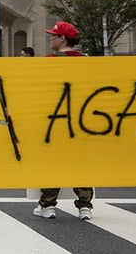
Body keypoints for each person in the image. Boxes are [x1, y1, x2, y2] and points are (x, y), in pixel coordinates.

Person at [34, 21, 93, 220]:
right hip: (82, 120)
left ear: (62, 39)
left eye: (53, 36)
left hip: (55, 121)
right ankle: (85, 205)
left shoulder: (50, 60)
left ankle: (48, 205)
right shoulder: (86, 61)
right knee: (80, 162)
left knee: (54, 161)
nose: (51, 39)